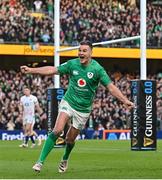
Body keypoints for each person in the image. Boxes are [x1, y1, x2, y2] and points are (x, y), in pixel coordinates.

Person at [20, 41, 134, 173]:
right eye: (79, 50)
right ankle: (39, 162)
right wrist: (31, 70)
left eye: (84, 51)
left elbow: (111, 87)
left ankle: (65, 158)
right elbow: (53, 69)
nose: (81, 53)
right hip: (68, 102)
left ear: (91, 52)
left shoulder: (97, 69)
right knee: (57, 130)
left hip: (83, 109)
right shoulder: (72, 64)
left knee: (70, 139)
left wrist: (124, 100)